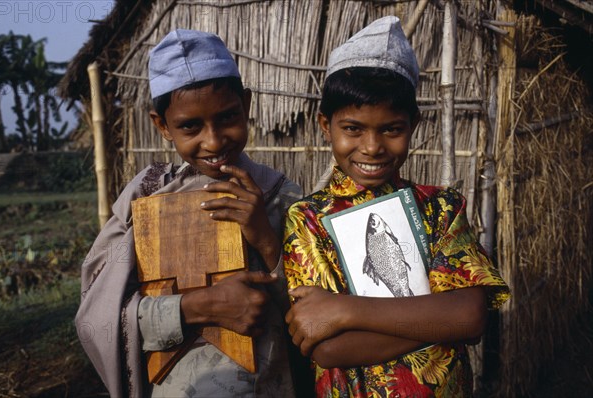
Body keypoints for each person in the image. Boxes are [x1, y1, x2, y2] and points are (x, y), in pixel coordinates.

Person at [283, 16, 511, 397]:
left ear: (413, 125)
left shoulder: (441, 208)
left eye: (391, 129)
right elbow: (328, 348)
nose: (372, 147)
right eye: (353, 128)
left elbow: (470, 317)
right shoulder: (309, 220)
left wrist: (345, 311)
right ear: (326, 125)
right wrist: (436, 322)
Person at [75, 29, 304, 397]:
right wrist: (200, 307)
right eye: (190, 126)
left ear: (246, 105)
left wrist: (266, 239)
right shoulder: (142, 199)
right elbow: (99, 321)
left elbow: (318, 309)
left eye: (228, 117)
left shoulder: (280, 196)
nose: (213, 141)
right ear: (162, 125)